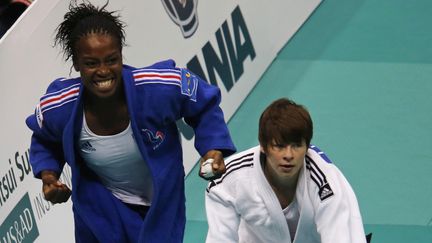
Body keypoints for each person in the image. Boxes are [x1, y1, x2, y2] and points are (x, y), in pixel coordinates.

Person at [25, 1, 235, 242]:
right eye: (91, 63)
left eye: (111, 60)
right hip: (100, 206)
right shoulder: (60, 106)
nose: (103, 71)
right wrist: (49, 176)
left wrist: (212, 149)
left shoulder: (157, 87)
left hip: (161, 205)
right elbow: (44, 138)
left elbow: (203, 102)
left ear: (121, 55)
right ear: (76, 64)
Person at [205, 98, 368, 243]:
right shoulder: (231, 179)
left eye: (297, 146)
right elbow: (220, 238)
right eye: (279, 146)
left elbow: (342, 237)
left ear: (307, 147)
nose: (288, 155)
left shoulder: (326, 184)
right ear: (263, 146)